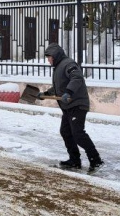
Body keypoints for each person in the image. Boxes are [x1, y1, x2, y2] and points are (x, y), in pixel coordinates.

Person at [40, 43, 103, 172]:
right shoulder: (58, 67)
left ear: (55, 56)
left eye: (49, 57)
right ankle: (74, 160)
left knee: (78, 133)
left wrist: (69, 92)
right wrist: (46, 94)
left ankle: (96, 160)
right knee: (66, 132)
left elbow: (77, 78)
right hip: (68, 107)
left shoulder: (68, 64)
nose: (48, 60)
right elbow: (59, 87)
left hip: (77, 104)